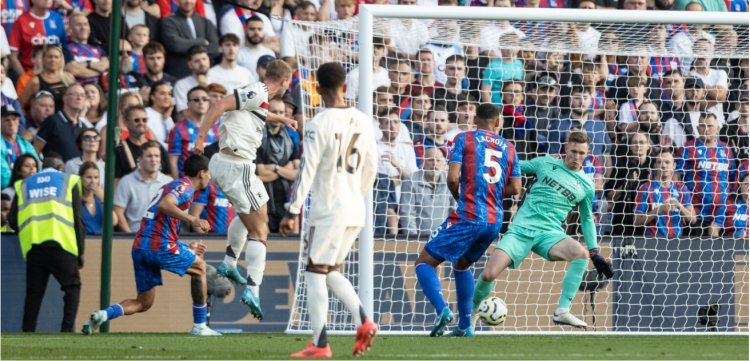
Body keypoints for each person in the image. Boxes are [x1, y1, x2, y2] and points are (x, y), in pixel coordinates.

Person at [278, 62, 379, 358]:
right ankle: (365, 321)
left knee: (314, 270)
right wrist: (354, 195)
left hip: (329, 208)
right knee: (331, 270)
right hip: (354, 207)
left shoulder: (318, 123)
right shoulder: (364, 120)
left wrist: (292, 209)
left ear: (318, 89)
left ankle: (320, 344)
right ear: (345, 87)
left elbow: (306, 171)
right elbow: (371, 167)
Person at [473, 131, 615, 330]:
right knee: (488, 274)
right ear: (566, 149)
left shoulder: (586, 185)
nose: (577, 157)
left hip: (550, 234)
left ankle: (562, 311)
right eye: (573, 151)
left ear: (588, 153)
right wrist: (486, 163)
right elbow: (515, 167)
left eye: (582, 153)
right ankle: (470, 313)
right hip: (521, 230)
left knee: (580, 254)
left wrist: (595, 252)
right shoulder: (545, 163)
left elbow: (586, 218)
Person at [193, 60, 295, 320]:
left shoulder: (258, 99)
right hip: (236, 166)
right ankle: (252, 290)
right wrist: (201, 137)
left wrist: (282, 118)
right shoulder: (258, 91)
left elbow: (258, 112)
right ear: (284, 81)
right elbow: (219, 104)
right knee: (260, 231)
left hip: (233, 165)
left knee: (251, 214)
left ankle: (228, 263)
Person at [82, 154, 221, 336]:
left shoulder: (169, 185)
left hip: (141, 246)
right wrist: (193, 219)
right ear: (202, 173)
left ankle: (103, 314)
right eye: (209, 174)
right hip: (158, 245)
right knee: (201, 268)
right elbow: (165, 205)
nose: (210, 178)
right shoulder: (185, 186)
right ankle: (200, 326)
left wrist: (186, 247)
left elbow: (160, 222)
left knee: (144, 303)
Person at [413, 103, 521, 337]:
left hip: (470, 214)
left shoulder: (464, 138)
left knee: (423, 263)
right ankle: (465, 326)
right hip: (494, 221)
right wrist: (489, 190)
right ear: (498, 122)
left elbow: (452, 179)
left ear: (475, 119)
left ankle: (443, 310)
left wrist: (464, 194)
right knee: (462, 266)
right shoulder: (510, 148)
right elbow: (515, 187)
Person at [8, 154, 85, 332]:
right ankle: (66, 331)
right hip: (62, 244)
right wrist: (80, 251)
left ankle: (27, 332)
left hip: (34, 246)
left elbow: (12, 221)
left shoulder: (25, 184)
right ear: (60, 168)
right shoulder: (69, 180)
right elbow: (78, 219)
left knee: (34, 293)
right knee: (72, 288)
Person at [114, 141, 173, 233]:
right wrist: (129, 236)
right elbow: (118, 211)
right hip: (135, 234)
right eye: (149, 156)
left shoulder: (169, 182)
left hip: (162, 236)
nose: (153, 159)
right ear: (140, 159)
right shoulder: (126, 181)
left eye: (157, 156)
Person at [634, 151, 696, 238]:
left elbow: (693, 219)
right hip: (652, 243)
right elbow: (636, 221)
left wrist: (679, 207)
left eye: (667, 162)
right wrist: (659, 209)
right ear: (655, 166)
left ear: (674, 165)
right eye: (659, 162)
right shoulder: (646, 188)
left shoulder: (681, 188)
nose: (663, 165)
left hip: (677, 243)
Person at [1, 104, 39, 189]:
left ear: (18, 122)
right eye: (7, 120)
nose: (11, 123)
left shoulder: (26, 144)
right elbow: (3, 179)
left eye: (14, 119)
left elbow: (38, 167)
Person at [79, 161, 116, 234]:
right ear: (81, 178)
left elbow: (114, 222)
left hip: (99, 240)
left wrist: (103, 200)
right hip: (83, 239)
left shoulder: (101, 198)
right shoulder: (76, 198)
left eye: (96, 177)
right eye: (89, 177)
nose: (93, 181)